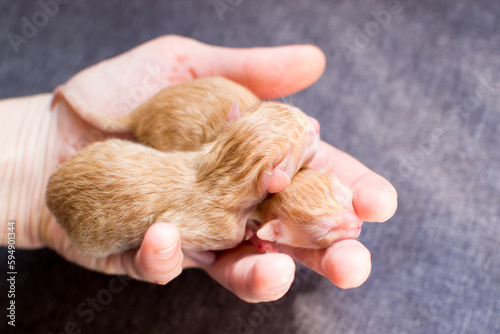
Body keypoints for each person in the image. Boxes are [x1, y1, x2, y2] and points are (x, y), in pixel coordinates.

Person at [0, 35, 397, 303]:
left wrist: (37, 140)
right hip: (93, 208)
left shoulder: (222, 154)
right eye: (305, 141)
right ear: (275, 178)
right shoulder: (226, 226)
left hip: (97, 167)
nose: (317, 129)